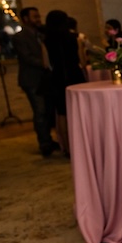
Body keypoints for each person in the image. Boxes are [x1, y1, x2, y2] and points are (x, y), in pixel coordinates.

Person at [11, 7, 59, 157]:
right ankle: (44, 143)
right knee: (40, 111)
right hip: (31, 79)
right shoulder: (20, 37)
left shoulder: (42, 33)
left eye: (38, 16)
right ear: (25, 19)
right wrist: (46, 63)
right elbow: (27, 57)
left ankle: (50, 139)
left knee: (48, 110)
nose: (38, 19)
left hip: (45, 79)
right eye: (35, 17)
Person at [43, 10, 86, 157]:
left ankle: (67, 148)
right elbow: (82, 61)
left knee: (62, 113)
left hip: (58, 78)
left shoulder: (46, 41)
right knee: (79, 111)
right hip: (75, 75)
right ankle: (81, 145)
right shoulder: (75, 38)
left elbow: (46, 64)